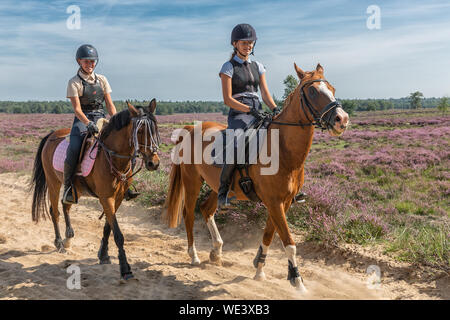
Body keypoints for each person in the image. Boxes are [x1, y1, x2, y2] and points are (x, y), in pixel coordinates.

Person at [63, 44, 139, 204]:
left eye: (92, 62)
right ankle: (69, 187)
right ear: (79, 61)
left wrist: (117, 119)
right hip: (83, 119)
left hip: (101, 117)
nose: (90, 65)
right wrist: (87, 123)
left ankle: (126, 184)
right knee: (75, 147)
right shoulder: (74, 82)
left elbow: (109, 104)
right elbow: (77, 109)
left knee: (126, 144)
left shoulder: (102, 79)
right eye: (86, 62)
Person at [217, 23, 281, 209]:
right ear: (235, 44)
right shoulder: (228, 67)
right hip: (239, 113)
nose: (248, 46)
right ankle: (222, 192)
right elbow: (227, 99)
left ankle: (285, 186)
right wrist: (247, 110)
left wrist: (276, 109)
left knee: (279, 136)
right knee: (237, 143)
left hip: (258, 109)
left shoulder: (258, 66)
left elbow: (265, 94)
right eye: (244, 43)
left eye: (251, 42)